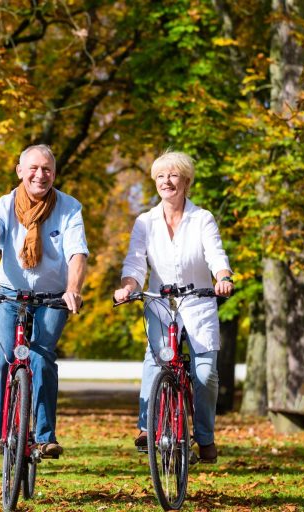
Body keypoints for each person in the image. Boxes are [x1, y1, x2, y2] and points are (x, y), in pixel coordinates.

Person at [0, 144, 88, 458]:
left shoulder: (69, 207)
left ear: (54, 173)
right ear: (20, 171)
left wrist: (72, 288)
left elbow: (77, 253)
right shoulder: (4, 206)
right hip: (9, 294)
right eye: (33, 168)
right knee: (2, 359)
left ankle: (46, 437)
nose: (40, 175)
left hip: (52, 296)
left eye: (47, 169)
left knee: (41, 357)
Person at [113, 150, 234, 463]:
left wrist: (222, 277)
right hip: (160, 303)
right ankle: (146, 427)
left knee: (205, 374)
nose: (167, 181)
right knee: (156, 361)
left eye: (173, 175)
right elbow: (136, 261)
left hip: (199, 302)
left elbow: (216, 255)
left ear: (186, 181)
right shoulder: (145, 222)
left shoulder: (202, 218)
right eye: (161, 176)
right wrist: (128, 287)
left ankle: (204, 437)